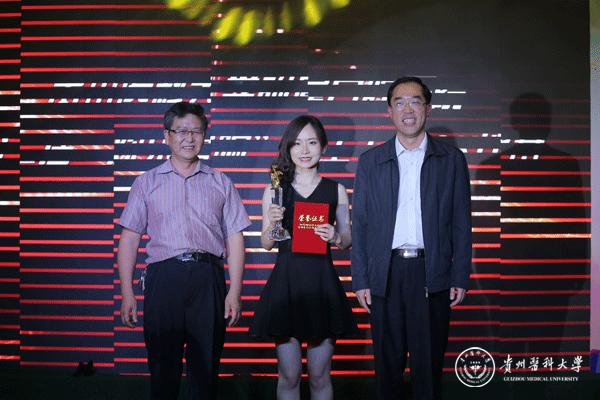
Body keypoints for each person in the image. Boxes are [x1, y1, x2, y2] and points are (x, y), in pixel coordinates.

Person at [117, 102, 251, 400]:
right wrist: (127, 293)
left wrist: (235, 291)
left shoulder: (220, 182)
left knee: (205, 368)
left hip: (208, 278)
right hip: (164, 278)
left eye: (196, 131)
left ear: (204, 136)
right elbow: (129, 239)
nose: (189, 138)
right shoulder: (146, 182)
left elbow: (235, 238)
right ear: (167, 135)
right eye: (182, 131)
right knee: (163, 368)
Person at [351, 77, 472, 400]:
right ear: (389, 111)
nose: (408, 109)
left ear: (427, 109)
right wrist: (361, 279)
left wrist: (459, 275)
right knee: (387, 368)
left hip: (431, 273)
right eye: (400, 102)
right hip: (385, 273)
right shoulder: (371, 162)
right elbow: (360, 225)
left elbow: (461, 222)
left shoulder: (450, 159)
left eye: (415, 101)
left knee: (428, 368)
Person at [250, 115, 357, 400]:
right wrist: (274, 222)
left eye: (312, 142)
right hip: (286, 286)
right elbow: (266, 244)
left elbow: (347, 239)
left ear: (323, 146)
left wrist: (335, 236)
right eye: (297, 143)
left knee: (320, 375)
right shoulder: (275, 190)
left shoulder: (336, 190)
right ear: (288, 148)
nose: (305, 150)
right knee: (289, 375)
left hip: (322, 286)